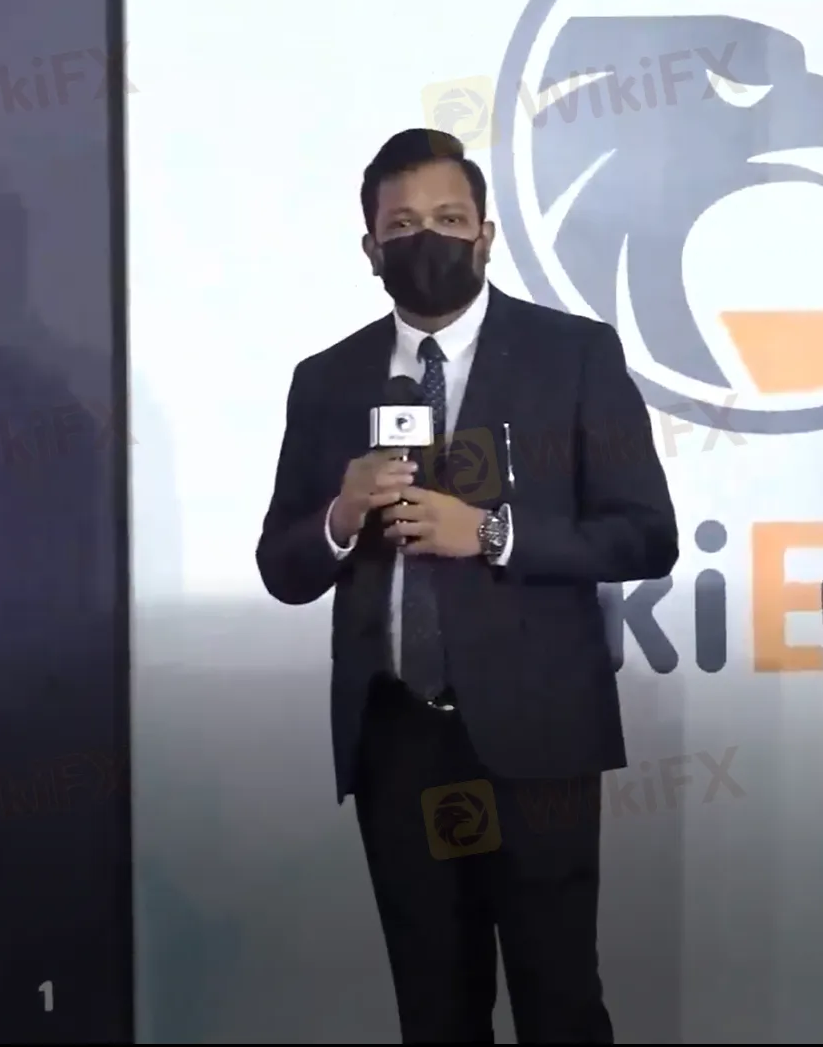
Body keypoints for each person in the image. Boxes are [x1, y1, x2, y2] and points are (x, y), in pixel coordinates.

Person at [254, 128, 678, 1043]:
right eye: (402, 225)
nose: (428, 239)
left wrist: (490, 533)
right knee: (435, 1009)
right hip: (397, 740)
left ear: (485, 235)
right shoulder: (326, 380)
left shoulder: (573, 355)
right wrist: (340, 513)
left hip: (538, 738)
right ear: (369, 248)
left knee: (559, 1002)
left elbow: (646, 535)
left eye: (449, 219)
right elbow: (281, 567)